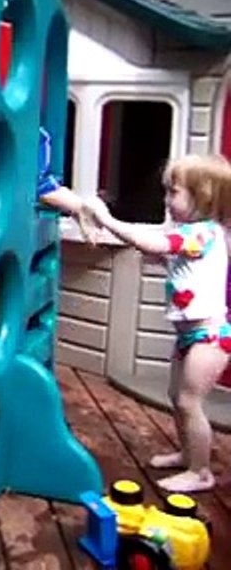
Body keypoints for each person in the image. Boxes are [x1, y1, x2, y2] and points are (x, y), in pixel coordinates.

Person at [83, 154, 231, 493]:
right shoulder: (193, 235)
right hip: (191, 336)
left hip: (209, 338)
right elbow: (165, 253)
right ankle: (188, 453)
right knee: (177, 397)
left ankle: (201, 471)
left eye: (173, 192)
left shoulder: (203, 234)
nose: (166, 200)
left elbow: (151, 242)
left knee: (189, 402)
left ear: (203, 195)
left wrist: (106, 219)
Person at [0, 127, 99, 242]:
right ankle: (83, 211)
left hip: (27, 147)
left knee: (41, 189)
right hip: (17, 150)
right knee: (44, 189)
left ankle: (83, 211)